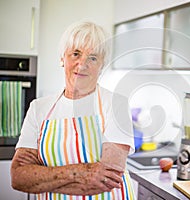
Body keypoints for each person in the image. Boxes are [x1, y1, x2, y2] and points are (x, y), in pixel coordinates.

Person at [10, 20, 136, 200]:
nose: (82, 64)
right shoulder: (39, 108)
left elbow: (108, 179)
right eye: (75, 54)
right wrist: (83, 171)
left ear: (102, 66)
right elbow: (19, 177)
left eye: (93, 58)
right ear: (62, 58)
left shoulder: (116, 104)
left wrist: (42, 178)